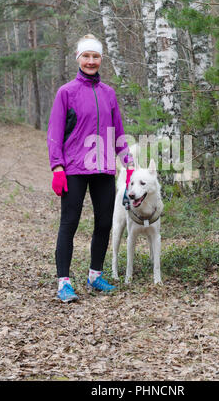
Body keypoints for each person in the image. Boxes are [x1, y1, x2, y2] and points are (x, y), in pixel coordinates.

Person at [47, 34, 134, 303]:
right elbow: (54, 131)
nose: (91, 61)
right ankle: (64, 283)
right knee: (69, 223)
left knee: (104, 223)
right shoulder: (66, 92)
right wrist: (57, 167)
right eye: (86, 56)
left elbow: (118, 130)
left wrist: (128, 164)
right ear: (78, 59)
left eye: (95, 57)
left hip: (104, 168)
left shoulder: (108, 93)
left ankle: (95, 275)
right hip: (73, 167)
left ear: (101, 60)